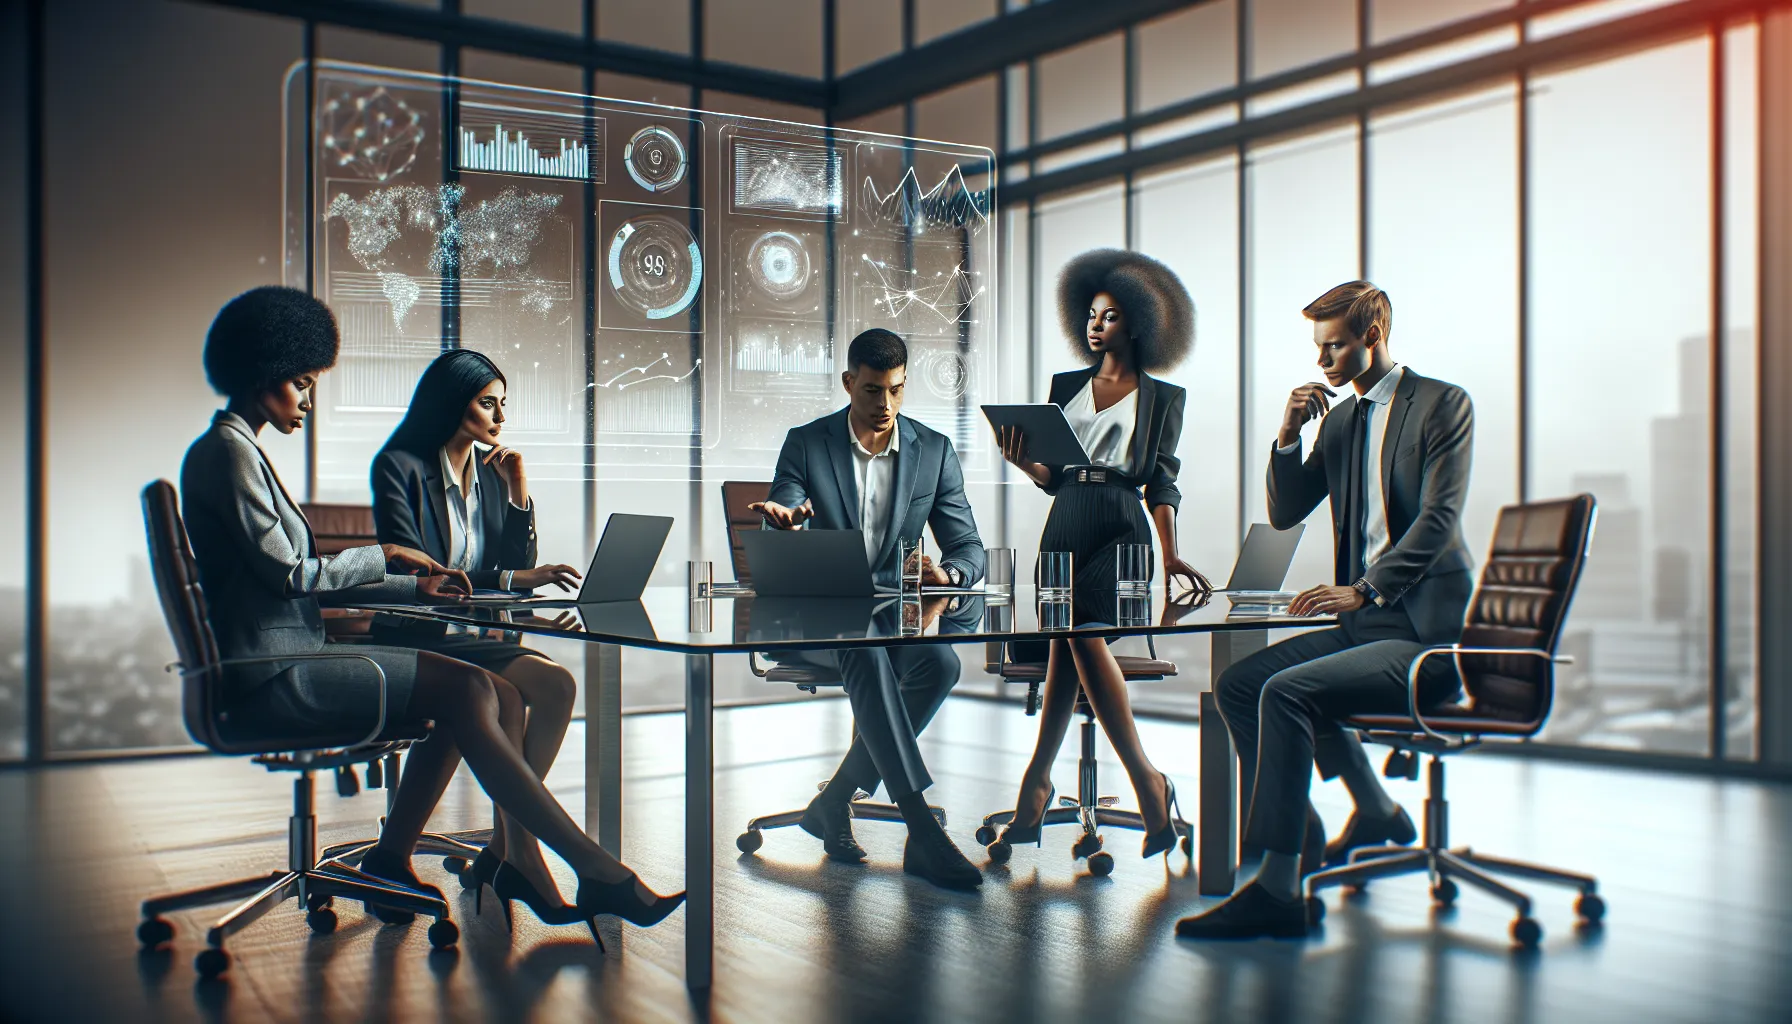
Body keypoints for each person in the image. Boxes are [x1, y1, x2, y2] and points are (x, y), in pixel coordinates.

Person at [180, 286, 681, 941]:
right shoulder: (228, 453)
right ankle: (587, 866)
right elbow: (294, 576)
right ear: (261, 375)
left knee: (483, 690)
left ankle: (425, 858)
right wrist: (383, 554)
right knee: (470, 687)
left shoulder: (237, 449)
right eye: (302, 384)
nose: (309, 400)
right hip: (277, 668)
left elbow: (299, 580)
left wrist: (422, 585)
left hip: (295, 650)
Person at [1176, 280, 1474, 940]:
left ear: (1373, 337)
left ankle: (1279, 887)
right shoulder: (1341, 421)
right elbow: (1286, 512)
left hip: (1428, 633)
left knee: (1287, 692)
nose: (1322, 362)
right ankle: (1352, 814)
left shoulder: (1442, 405)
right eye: (1318, 347)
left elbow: (1439, 519)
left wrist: (1367, 586)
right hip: (1367, 627)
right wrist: (1287, 433)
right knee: (1241, 684)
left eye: (1334, 347)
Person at [992, 248, 1215, 865]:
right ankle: (1068, 784)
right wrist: (1021, 460)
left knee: (1083, 631)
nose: (1096, 326)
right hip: (1066, 521)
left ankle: (1127, 780)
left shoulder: (1165, 399)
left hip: (1123, 524)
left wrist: (1168, 557)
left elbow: (1161, 484)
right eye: (1090, 315)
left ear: (1140, 323)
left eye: (1110, 315)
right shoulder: (1067, 388)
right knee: (1071, 636)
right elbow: (1053, 473)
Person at [749, 328, 989, 891]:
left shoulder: (932, 451)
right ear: (848, 383)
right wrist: (784, 518)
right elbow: (784, 497)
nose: (885, 405)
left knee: (942, 665)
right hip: (817, 622)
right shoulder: (808, 443)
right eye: (873, 391)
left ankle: (833, 801)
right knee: (867, 647)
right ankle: (920, 827)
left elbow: (969, 548)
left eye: (897, 391)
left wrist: (949, 574)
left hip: (889, 620)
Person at [370, 348, 584, 908]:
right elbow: (415, 566)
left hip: (471, 633)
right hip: (416, 631)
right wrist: (512, 574)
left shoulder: (489, 474)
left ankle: (503, 844)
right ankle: (516, 854)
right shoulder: (399, 466)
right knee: (504, 696)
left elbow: (518, 564)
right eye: (489, 403)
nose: (500, 418)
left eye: (502, 405)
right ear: (452, 402)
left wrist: (517, 486)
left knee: (558, 685)